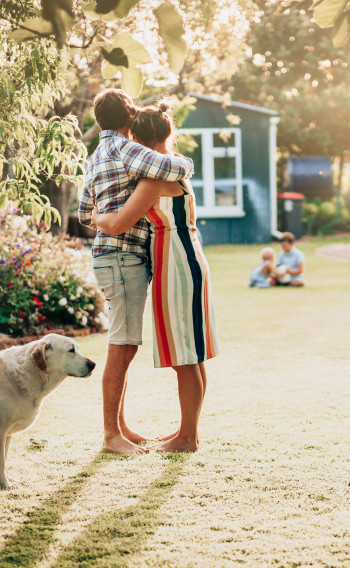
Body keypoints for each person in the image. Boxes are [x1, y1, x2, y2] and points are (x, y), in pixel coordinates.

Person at [91, 100, 219, 453]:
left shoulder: (153, 180)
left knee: (184, 355)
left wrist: (98, 217)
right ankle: (188, 433)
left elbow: (117, 222)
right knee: (190, 353)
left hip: (176, 261)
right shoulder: (174, 173)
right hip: (185, 256)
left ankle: (186, 438)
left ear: (137, 139)